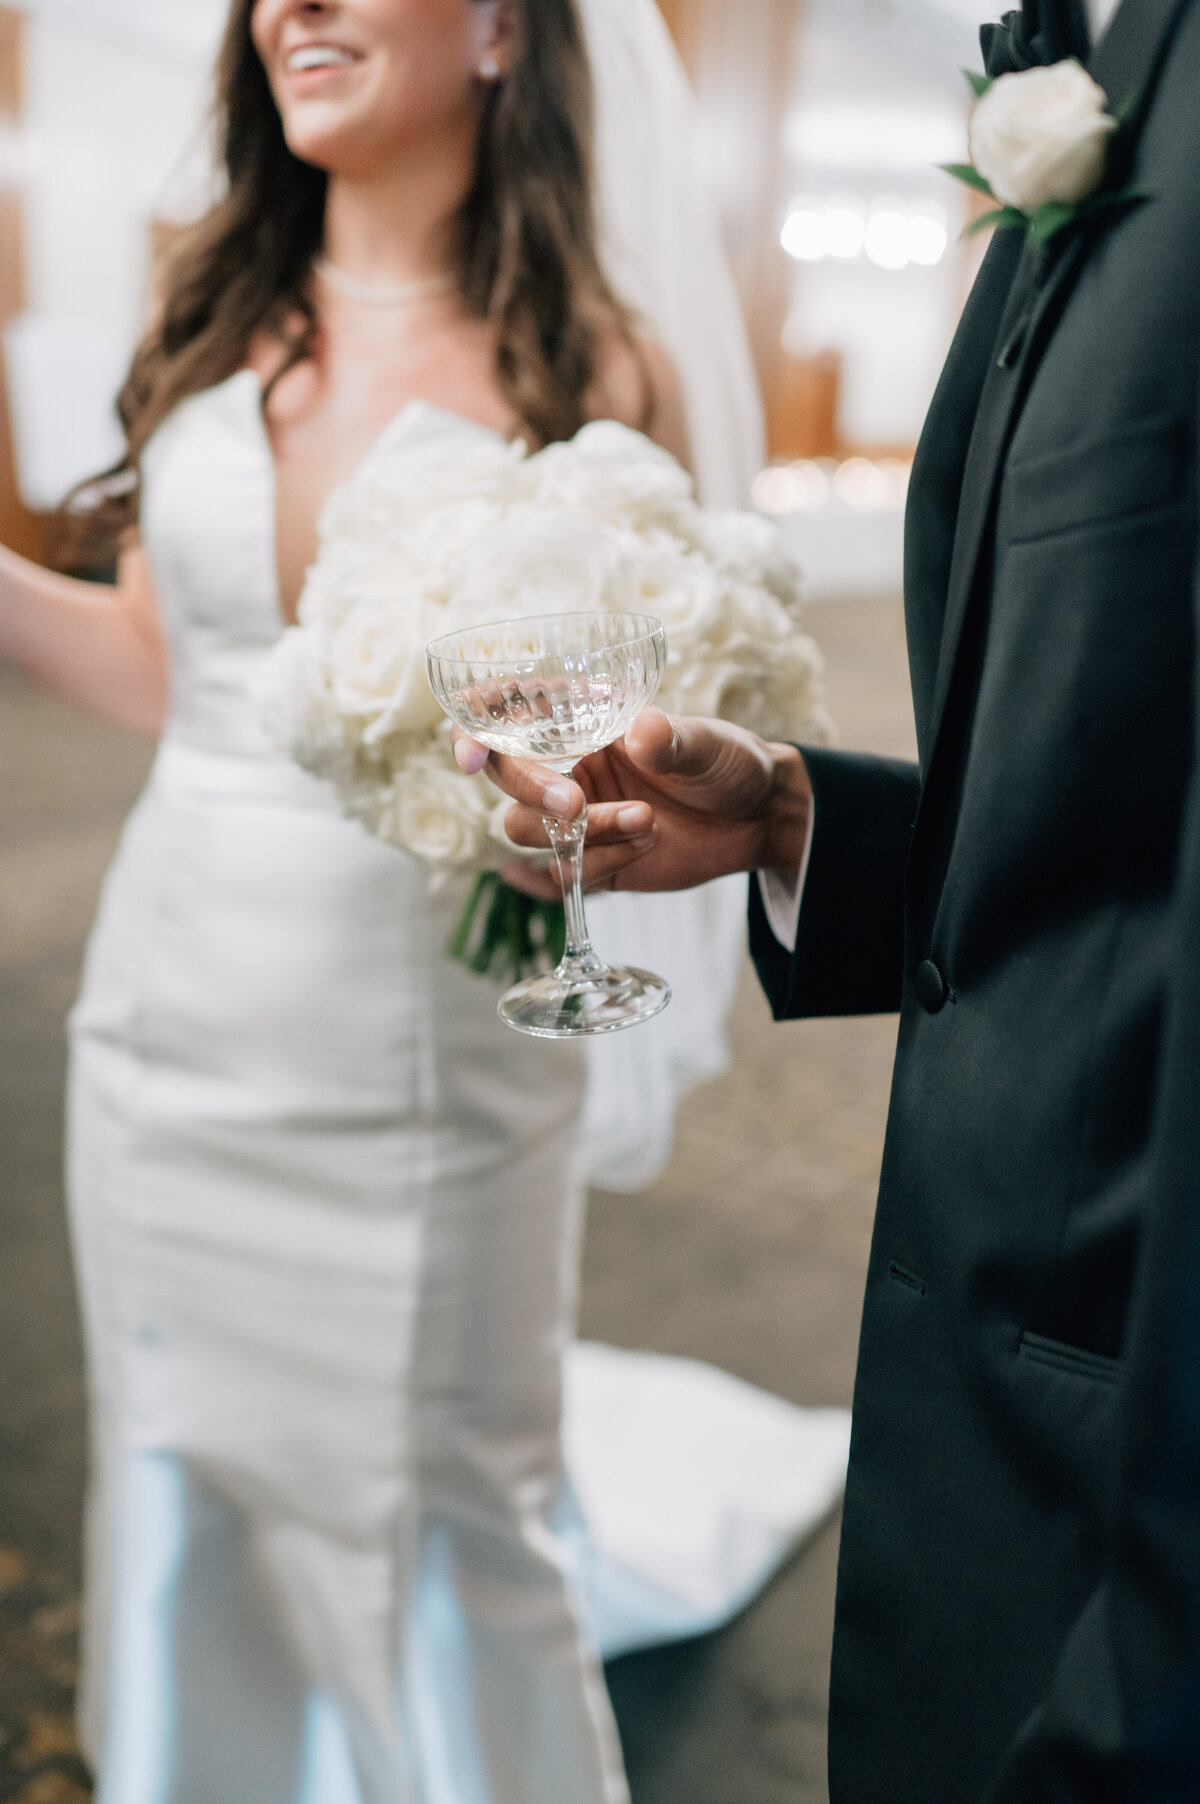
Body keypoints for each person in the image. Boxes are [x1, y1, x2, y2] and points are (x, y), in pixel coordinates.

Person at [0, 0, 852, 1797]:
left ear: (499, 35)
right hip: (169, 1012)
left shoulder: (594, 366)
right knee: (180, 1454)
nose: (287, 4)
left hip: (440, 1036)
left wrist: (568, 792)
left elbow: (639, 737)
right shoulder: (210, 321)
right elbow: (172, 669)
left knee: (441, 1488)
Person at [465, 0, 1200, 1795]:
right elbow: (1120, 790)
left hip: (1128, 1546)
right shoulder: (1102, 55)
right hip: (997, 1434)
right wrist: (802, 819)